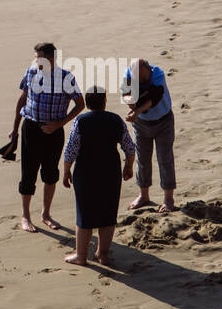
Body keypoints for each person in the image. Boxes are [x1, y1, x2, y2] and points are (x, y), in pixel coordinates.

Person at [10, 41, 85, 233]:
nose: (35, 62)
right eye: (35, 58)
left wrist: (59, 124)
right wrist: (15, 129)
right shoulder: (31, 72)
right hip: (31, 128)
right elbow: (22, 99)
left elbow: (80, 104)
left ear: (50, 59)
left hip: (53, 131)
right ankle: (25, 216)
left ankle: (45, 214)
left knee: (50, 174)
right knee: (28, 173)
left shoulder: (66, 78)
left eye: (38, 58)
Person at [62, 87, 135, 267]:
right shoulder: (116, 120)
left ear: (86, 103)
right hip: (110, 172)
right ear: (104, 102)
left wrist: (66, 171)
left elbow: (71, 150)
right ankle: (103, 254)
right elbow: (130, 148)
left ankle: (81, 255)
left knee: (84, 214)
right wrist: (128, 166)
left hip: (86, 173)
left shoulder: (81, 121)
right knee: (108, 214)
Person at [121, 60, 176, 212]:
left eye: (144, 78)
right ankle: (143, 196)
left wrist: (137, 111)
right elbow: (125, 94)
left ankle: (168, 199)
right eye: (138, 79)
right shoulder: (128, 75)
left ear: (148, 70)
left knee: (165, 158)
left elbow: (154, 98)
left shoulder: (157, 74)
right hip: (141, 124)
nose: (142, 81)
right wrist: (130, 104)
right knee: (142, 159)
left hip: (163, 121)